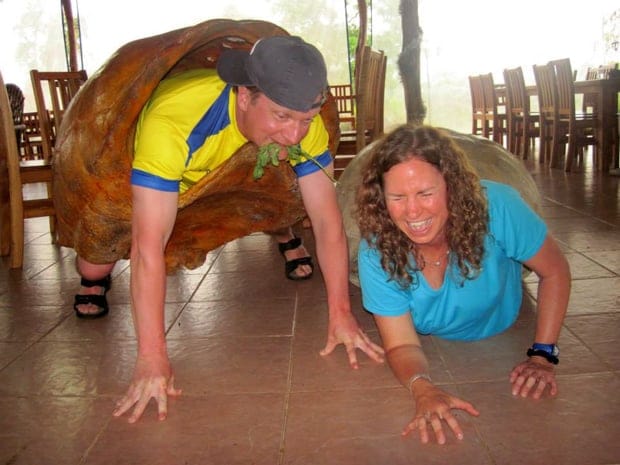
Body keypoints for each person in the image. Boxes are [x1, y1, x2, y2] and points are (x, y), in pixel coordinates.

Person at [73, 35, 385, 423]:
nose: (295, 134)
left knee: (287, 184)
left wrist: (341, 313)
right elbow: (147, 247)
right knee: (94, 267)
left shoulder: (305, 126)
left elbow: (326, 220)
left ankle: (281, 232)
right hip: (150, 175)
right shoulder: (173, 121)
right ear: (242, 95)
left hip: (229, 179)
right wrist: (151, 358)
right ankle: (94, 276)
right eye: (282, 116)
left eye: (304, 119)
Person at [356, 125, 571, 445]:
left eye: (425, 193)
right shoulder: (376, 249)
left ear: (452, 188)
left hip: (505, 311)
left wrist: (543, 354)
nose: (413, 211)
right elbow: (402, 344)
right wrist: (422, 388)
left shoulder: (497, 205)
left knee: (519, 245)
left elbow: (555, 272)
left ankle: (513, 253)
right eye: (397, 197)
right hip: (436, 327)